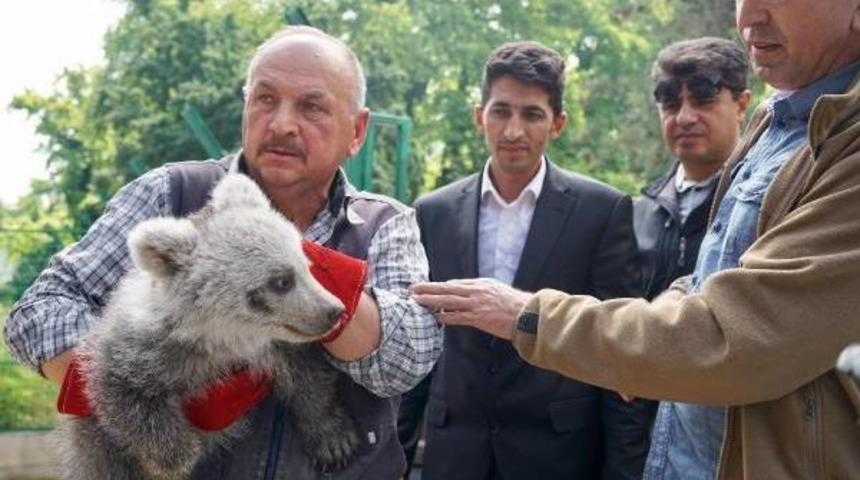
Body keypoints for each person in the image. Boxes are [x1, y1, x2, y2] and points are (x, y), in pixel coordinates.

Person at [411, 1, 860, 478]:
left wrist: (527, 315)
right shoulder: (780, 126)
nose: (748, 14)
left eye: (704, 97)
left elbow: (737, 336)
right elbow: (713, 281)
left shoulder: (601, 209)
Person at [4, 26, 442, 479]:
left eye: (312, 106)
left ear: (358, 131)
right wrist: (137, 382)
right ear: (246, 106)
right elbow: (33, 315)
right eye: (265, 99)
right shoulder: (169, 194)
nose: (282, 124)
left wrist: (313, 273)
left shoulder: (385, 224)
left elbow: (406, 363)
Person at [402, 41, 654, 480]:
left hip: (557, 456)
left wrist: (624, 472)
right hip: (454, 455)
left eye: (532, 114)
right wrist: (395, 457)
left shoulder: (602, 211)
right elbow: (416, 346)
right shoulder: (433, 212)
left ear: (557, 123)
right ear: (480, 114)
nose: (513, 130)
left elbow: (619, 349)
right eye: (501, 111)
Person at [636, 37, 750, 301]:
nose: (685, 118)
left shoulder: (767, 204)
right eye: (671, 104)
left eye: (702, 100)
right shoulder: (634, 215)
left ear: (741, 105)